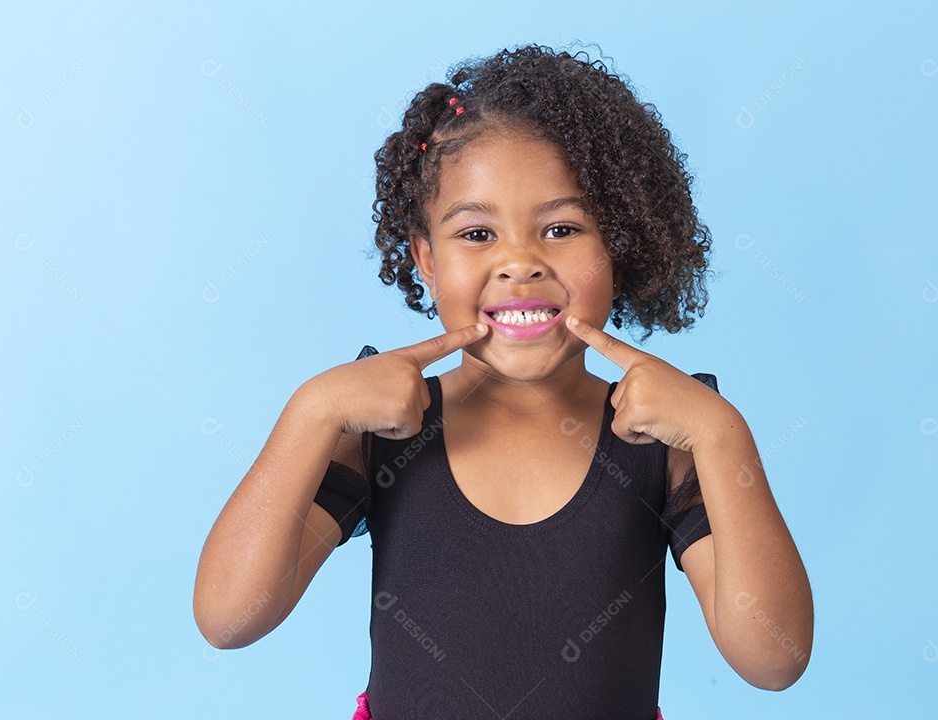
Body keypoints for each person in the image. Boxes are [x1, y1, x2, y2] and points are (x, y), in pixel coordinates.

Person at [194, 43, 813, 719]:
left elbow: (773, 660)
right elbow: (229, 619)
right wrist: (310, 411)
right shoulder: (376, 435)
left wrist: (724, 435)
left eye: (561, 228)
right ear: (426, 259)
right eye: (477, 234)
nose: (521, 263)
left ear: (619, 245)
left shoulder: (667, 444)